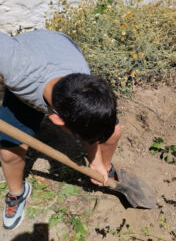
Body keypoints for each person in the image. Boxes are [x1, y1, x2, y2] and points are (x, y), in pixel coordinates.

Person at [0, 29, 122, 230]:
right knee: (8, 154)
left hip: (60, 48)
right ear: (56, 120)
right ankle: (17, 193)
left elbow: (93, 132)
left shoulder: (82, 83)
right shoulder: (14, 63)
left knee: (114, 132)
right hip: (32, 55)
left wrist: (97, 161)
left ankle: (103, 169)